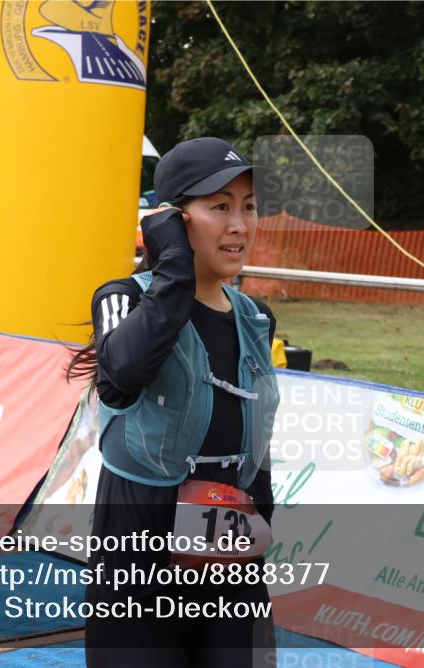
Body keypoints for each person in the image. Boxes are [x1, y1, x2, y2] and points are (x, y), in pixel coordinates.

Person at [66, 137, 279, 667]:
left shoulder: (255, 317)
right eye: (220, 207)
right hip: (138, 539)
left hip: (228, 539)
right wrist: (174, 270)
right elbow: (121, 377)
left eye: (248, 207)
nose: (239, 225)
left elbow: (253, 426)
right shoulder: (124, 297)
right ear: (173, 220)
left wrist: (261, 521)